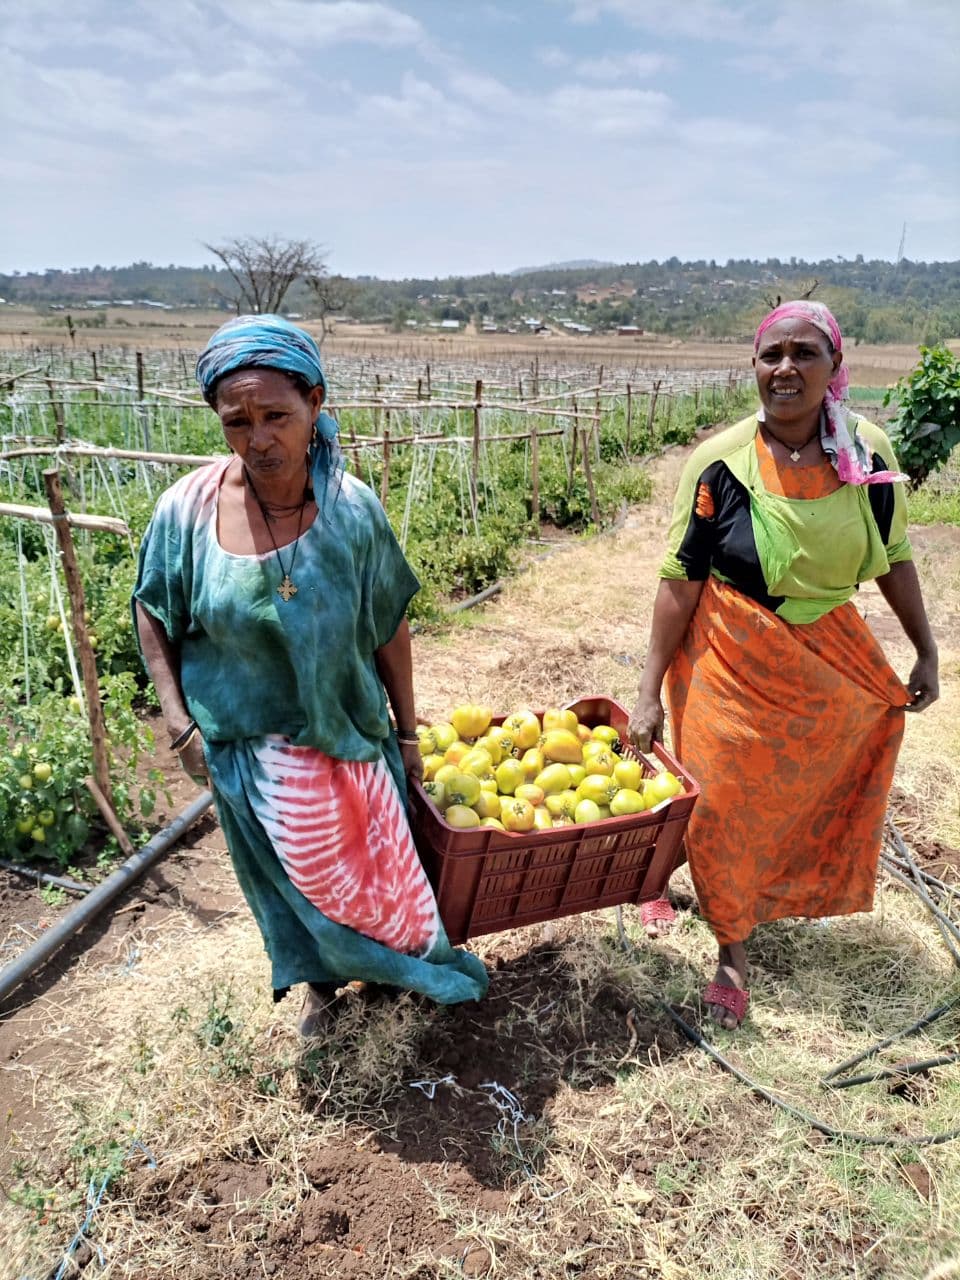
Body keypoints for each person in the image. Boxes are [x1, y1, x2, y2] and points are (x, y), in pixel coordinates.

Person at [133, 314, 488, 1032]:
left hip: (347, 736)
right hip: (251, 750)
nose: (258, 438)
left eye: (275, 416)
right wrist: (178, 727)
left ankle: (393, 977)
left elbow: (388, 626)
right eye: (236, 422)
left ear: (315, 404)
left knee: (373, 880)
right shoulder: (187, 513)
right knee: (294, 883)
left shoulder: (351, 512)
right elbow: (154, 613)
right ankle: (323, 988)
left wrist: (410, 734)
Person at [628, 300, 938, 1030]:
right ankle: (732, 951)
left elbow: (892, 559)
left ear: (835, 368)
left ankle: (691, 875)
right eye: (772, 355)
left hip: (824, 641)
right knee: (727, 793)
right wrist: (648, 692)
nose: (786, 369)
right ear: (755, 366)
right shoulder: (720, 462)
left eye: (804, 353)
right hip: (730, 648)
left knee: (814, 772)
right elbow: (680, 581)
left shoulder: (867, 454)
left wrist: (925, 647)